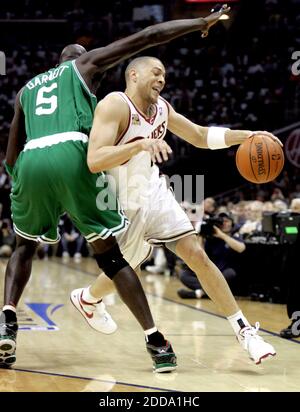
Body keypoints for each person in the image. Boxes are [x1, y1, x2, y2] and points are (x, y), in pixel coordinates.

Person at [0, 5, 231, 370]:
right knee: (111, 256)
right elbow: (148, 37)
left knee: (22, 248)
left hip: (30, 162)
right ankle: (155, 341)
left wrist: (22, 183)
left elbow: (11, 152)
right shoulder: (84, 65)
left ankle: (7, 322)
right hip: (70, 153)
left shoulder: (26, 90)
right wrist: (200, 23)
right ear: (81, 59)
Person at [73, 56, 282, 365]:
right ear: (133, 74)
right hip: (118, 200)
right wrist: (140, 145)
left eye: (165, 75)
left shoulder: (162, 109)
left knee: (196, 254)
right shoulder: (114, 105)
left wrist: (248, 136)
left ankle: (244, 332)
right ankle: (88, 297)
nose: (162, 79)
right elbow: (95, 159)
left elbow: (199, 136)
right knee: (125, 269)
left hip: (153, 191)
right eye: (156, 72)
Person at [177, 213, 245, 299]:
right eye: (222, 222)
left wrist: (222, 235)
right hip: (212, 272)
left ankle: (200, 293)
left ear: (232, 223)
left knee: (229, 274)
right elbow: (200, 255)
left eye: (227, 221)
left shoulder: (235, 235)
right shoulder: (211, 236)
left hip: (226, 273)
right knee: (184, 275)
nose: (225, 224)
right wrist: (201, 237)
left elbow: (241, 248)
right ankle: (210, 292)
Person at [280, 198, 300, 339]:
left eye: (297, 208)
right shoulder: (290, 220)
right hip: (293, 256)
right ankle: (296, 322)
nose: (294, 211)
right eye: (293, 208)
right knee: (293, 288)